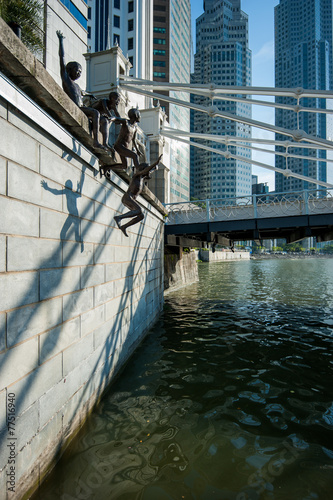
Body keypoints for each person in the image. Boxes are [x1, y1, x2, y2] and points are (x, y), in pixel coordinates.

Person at [56, 30, 106, 151]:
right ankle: (96, 141)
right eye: (77, 70)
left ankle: (101, 141)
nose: (78, 73)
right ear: (69, 70)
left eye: (80, 72)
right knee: (95, 113)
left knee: (103, 117)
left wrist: (92, 97)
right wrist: (61, 41)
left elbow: (84, 94)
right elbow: (61, 58)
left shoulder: (77, 86)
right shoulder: (67, 80)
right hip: (77, 108)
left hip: (82, 108)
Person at [114, 155, 162, 237]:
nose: (148, 173)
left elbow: (148, 172)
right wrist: (155, 163)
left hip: (130, 199)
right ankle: (119, 217)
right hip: (127, 198)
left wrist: (155, 169)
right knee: (139, 210)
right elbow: (146, 170)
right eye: (146, 170)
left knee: (141, 216)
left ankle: (124, 227)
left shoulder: (142, 178)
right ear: (143, 170)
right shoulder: (136, 175)